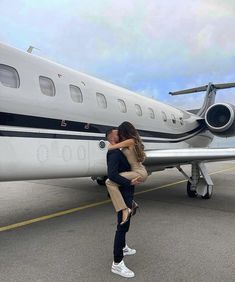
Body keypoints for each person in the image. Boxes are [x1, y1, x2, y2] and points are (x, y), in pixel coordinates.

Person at [106, 128, 140, 278]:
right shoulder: (113, 153)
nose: (120, 134)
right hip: (122, 193)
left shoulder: (118, 150)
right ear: (111, 137)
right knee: (121, 226)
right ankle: (117, 263)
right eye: (117, 133)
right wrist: (129, 181)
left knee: (126, 224)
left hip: (127, 192)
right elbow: (112, 175)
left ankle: (124, 247)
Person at [106, 121, 148, 224]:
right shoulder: (132, 141)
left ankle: (124, 209)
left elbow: (111, 147)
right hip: (139, 171)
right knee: (113, 180)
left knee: (109, 181)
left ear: (124, 132)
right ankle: (131, 204)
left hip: (138, 172)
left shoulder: (130, 141)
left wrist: (111, 142)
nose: (119, 135)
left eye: (120, 133)